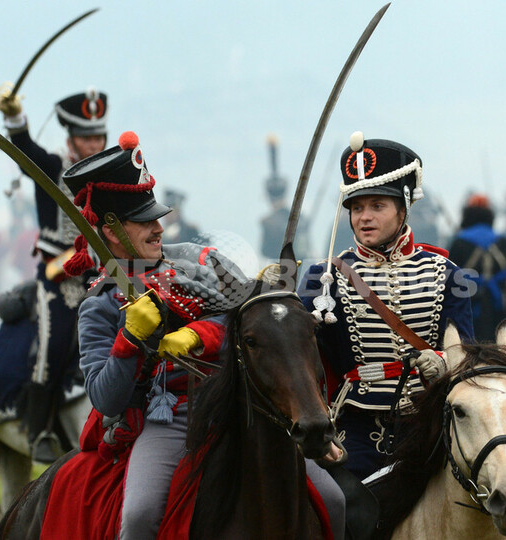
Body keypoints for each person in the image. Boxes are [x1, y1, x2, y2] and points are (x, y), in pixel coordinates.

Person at [60, 131, 344, 539]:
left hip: (241, 405)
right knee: (139, 517)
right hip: (171, 418)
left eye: (157, 218)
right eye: (143, 222)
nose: (159, 228)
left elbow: (246, 320)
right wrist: (130, 339)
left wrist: (199, 335)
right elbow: (106, 398)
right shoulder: (100, 305)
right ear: (110, 229)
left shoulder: (200, 262)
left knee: (332, 500)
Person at [300, 133, 475, 481]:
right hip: (357, 427)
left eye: (377, 206)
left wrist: (443, 362)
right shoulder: (323, 278)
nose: (364, 217)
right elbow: (301, 357)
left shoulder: (446, 273)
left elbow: (467, 353)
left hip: (431, 424)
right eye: (357, 208)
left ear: (403, 207)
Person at [0, 84, 108, 461]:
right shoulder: (53, 165)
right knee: (55, 342)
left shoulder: (110, 173)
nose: (95, 144)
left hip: (102, 276)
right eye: (87, 137)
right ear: (72, 137)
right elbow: (23, 148)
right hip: (58, 278)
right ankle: (39, 430)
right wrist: (13, 116)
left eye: (99, 136)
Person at [448, 193, 506, 348]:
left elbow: (448, 277)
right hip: (500, 307)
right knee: (502, 350)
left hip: (469, 307)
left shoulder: (459, 242)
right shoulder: (505, 242)